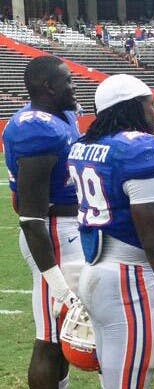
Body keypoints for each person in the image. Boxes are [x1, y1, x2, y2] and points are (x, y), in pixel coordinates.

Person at [67, 74, 154, 387]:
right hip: (127, 279)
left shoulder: (84, 145)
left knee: (114, 374)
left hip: (96, 271)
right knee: (130, 377)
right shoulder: (138, 149)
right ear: (129, 109)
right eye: (150, 105)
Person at [2, 56, 84, 389]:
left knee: (65, 330)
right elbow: (31, 219)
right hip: (50, 233)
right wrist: (60, 287)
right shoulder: (36, 128)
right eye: (67, 80)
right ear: (48, 86)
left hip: (67, 230)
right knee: (50, 338)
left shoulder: (62, 115)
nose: (73, 85)